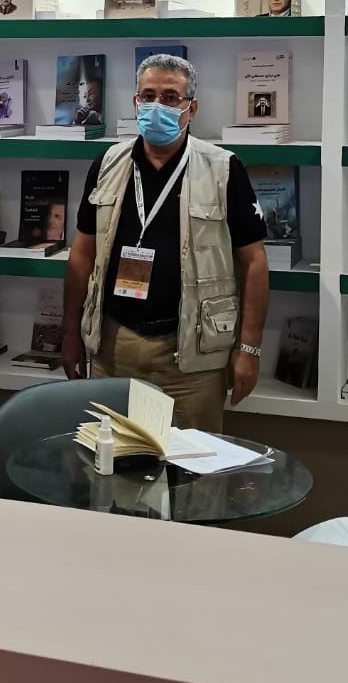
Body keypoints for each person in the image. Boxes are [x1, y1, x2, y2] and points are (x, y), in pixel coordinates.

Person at [60, 54, 269, 430]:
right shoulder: (107, 164)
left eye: (171, 97)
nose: (158, 106)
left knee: (191, 461)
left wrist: (249, 348)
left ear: (192, 109)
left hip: (190, 355)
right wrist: (70, 332)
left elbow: (254, 263)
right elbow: (82, 255)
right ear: (135, 102)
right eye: (148, 96)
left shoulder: (223, 169)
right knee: (112, 458)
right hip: (113, 347)